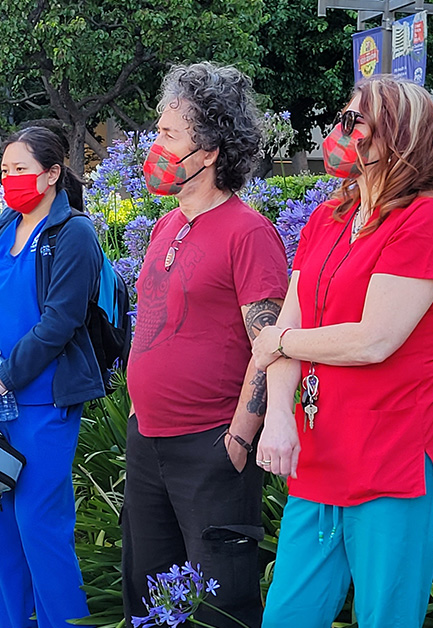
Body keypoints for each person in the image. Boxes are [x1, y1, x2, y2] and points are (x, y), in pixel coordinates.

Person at [253, 76, 433, 628]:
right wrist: (278, 415)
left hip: (396, 454)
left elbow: (373, 339)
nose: (341, 131)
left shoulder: (425, 219)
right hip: (321, 448)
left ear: (398, 135)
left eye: (356, 121)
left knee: (386, 616)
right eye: (343, 118)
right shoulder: (327, 219)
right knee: (288, 614)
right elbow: (290, 318)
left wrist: (277, 343)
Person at [121, 63, 288, 628]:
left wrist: (241, 436)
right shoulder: (167, 226)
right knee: (150, 599)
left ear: (211, 151)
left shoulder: (248, 232)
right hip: (149, 442)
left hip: (212, 447)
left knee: (220, 606)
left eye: (168, 135)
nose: (155, 146)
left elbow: (269, 343)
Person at [0, 126, 104, 627]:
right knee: (6, 537)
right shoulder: (0, 228)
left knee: (40, 528)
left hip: (43, 404)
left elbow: (60, 322)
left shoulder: (73, 232)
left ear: (54, 173)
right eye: (5, 171)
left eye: (21, 169)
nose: (10, 178)